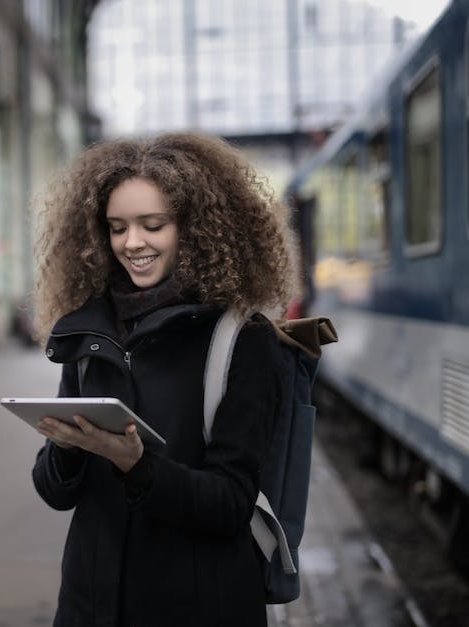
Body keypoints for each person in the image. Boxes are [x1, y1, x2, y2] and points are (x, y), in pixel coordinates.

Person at [30, 133, 298, 626]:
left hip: (198, 606)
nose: (132, 243)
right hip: (90, 605)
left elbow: (231, 503)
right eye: (116, 228)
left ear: (195, 229)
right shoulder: (88, 332)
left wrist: (138, 465)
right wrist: (67, 447)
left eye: (153, 225)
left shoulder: (242, 338)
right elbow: (55, 492)